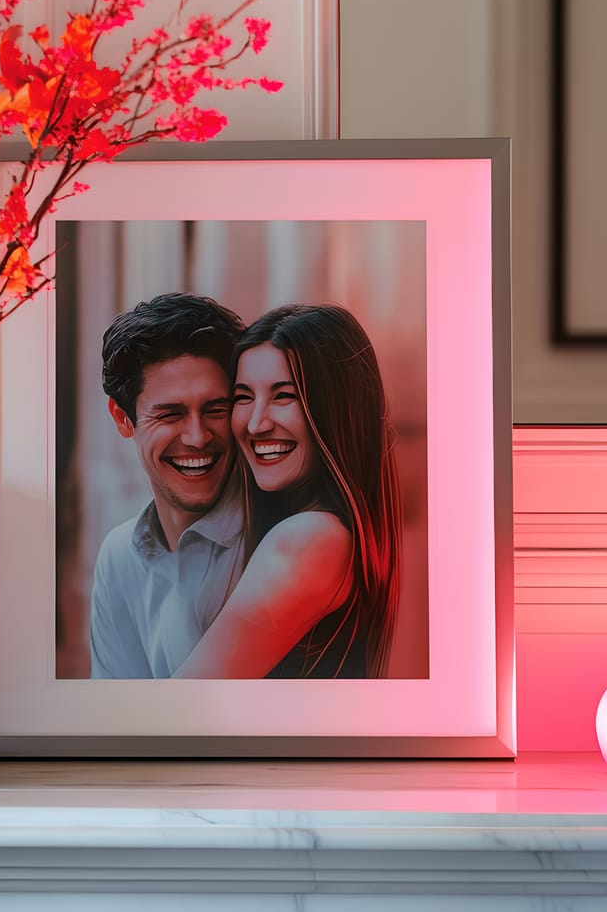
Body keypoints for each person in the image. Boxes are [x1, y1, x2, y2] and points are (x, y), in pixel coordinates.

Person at [174, 303, 402, 680]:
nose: (256, 423)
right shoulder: (343, 532)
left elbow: (183, 707)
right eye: (243, 397)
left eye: (284, 396)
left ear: (336, 409)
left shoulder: (307, 540)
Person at [89, 291, 245, 678]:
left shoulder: (277, 539)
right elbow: (117, 720)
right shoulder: (118, 557)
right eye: (170, 414)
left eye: (216, 409)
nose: (197, 437)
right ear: (123, 419)